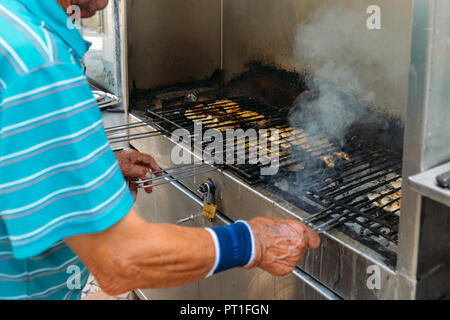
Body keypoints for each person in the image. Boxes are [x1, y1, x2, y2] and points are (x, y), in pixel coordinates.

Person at [0, 0, 320, 300]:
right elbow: (118, 260)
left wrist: (87, 167)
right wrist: (253, 243)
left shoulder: (13, 24)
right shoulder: (41, 64)